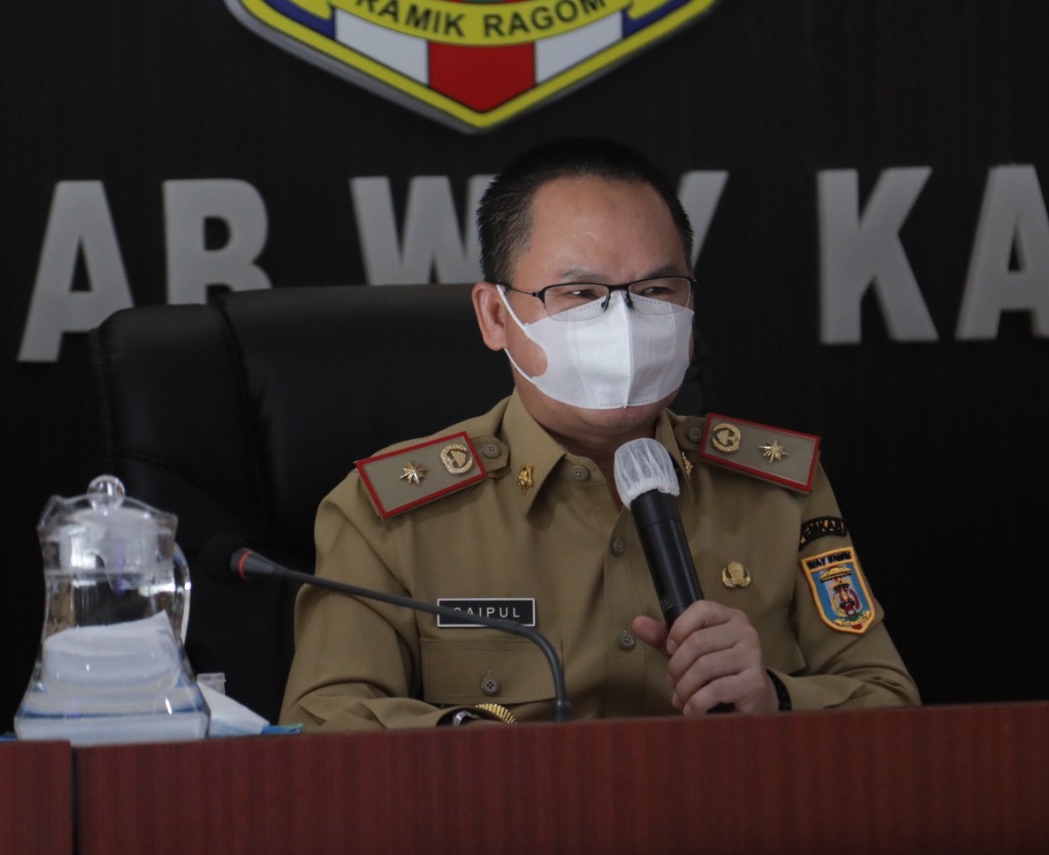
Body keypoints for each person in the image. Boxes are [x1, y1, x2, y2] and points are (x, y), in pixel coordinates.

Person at [279, 138, 919, 729]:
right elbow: (322, 723)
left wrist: (773, 698)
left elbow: (890, 706)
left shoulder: (777, 492)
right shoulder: (392, 514)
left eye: (656, 288)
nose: (624, 321)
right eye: (580, 292)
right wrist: (478, 751)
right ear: (495, 316)